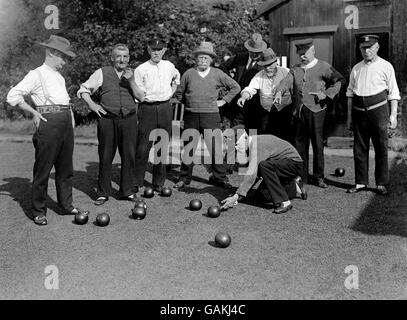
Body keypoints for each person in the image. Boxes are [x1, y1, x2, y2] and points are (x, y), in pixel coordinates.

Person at [7, 35, 88, 225]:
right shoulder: (37, 74)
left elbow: (65, 102)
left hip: (65, 123)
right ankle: (38, 211)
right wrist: (33, 112)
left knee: (65, 169)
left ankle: (66, 205)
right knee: (43, 170)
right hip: (48, 123)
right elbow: (13, 96)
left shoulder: (59, 76)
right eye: (63, 57)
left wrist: (72, 118)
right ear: (52, 53)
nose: (65, 61)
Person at [78, 43, 145, 205]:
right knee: (106, 155)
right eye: (119, 56)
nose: (122, 60)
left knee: (129, 156)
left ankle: (127, 191)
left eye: (125, 57)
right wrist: (93, 106)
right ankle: (103, 192)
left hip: (129, 119)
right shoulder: (102, 72)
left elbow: (141, 97)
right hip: (107, 119)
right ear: (112, 58)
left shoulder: (134, 74)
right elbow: (83, 90)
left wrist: (131, 81)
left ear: (129, 58)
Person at [274, 39, 345, 188]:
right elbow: (285, 82)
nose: (302, 57)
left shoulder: (324, 67)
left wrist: (326, 94)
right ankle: (302, 176)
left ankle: (319, 177)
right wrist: (280, 92)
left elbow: (339, 81)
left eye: (305, 53)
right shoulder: (295, 69)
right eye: (300, 54)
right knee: (300, 145)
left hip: (317, 111)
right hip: (299, 112)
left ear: (313, 50)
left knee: (318, 145)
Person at [173, 41, 241, 189]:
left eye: (207, 58)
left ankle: (219, 178)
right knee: (189, 147)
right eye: (200, 57)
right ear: (195, 59)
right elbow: (179, 93)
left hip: (211, 116)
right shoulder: (188, 74)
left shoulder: (218, 74)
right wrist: (190, 103)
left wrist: (224, 101)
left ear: (211, 60)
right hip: (191, 116)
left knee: (215, 148)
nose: (203, 60)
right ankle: (184, 178)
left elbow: (235, 87)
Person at [346, 35, 400, 196]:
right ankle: (361, 182)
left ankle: (381, 183)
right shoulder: (356, 68)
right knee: (359, 149)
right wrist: (349, 117)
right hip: (359, 112)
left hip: (379, 111)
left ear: (377, 47)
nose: (366, 51)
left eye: (370, 47)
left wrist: (393, 116)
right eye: (363, 48)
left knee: (381, 148)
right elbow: (349, 93)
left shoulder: (386, 66)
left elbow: (393, 92)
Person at [220, 126, 307, 214]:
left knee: (263, 166)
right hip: (280, 167)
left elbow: (253, 172)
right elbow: (255, 173)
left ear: (245, 138)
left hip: (294, 164)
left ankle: (284, 202)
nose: (237, 148)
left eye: (237, 144)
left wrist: (236, 196)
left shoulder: (257, 145)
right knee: (261, 196)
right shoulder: (250, 145)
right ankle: (293, 184)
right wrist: (239, 196)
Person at [133, 38, 181, 194]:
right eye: (153, 49)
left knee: (162, 147)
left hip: (165, 108)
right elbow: (138, 93)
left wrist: (171, 93)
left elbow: (176, 79)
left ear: (164, 50)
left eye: (159, 49)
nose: (156, 52)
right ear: (148, 50)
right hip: (147, 108)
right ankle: (137, 181)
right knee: (142, 147)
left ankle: (158, 183)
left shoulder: (169, 66)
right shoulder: (141, 69)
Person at [237, 47, 293, 139]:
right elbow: (250, 89)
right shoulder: (259, 76)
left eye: (270, 64)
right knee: (267, 137)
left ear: (276, 63)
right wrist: (243, 97)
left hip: (285, 112)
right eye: (265, 65)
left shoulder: (286, 72)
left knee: (285, 137)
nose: (268, 68)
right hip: (267, 112)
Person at [221, 33, 267, 130]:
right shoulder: (240, 57)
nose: (254, 54)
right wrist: (230, 81)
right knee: (235, 132)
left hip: (255, 105)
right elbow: (223, 67)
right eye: (252, 52)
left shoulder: (266, 62)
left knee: (252, 135)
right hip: (237, 104)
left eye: (257, 52)